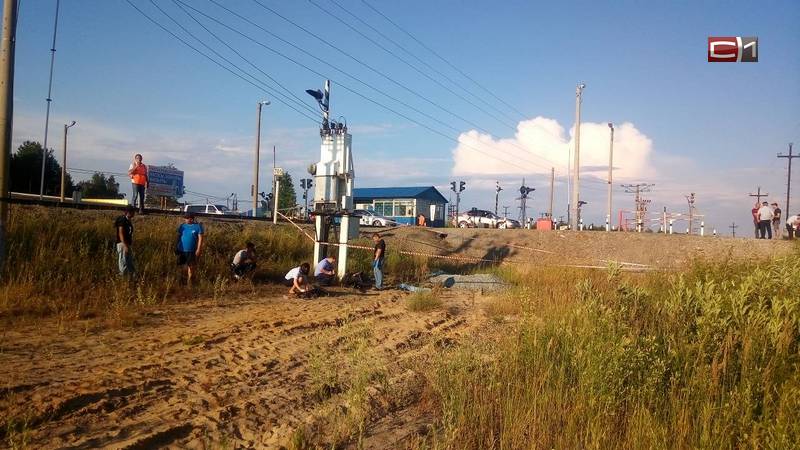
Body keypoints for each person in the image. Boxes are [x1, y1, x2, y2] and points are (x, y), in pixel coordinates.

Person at [176, 212, 204, 285]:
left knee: (191, 267)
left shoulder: (198, 226)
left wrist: (198, 249)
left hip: (191, 250)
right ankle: (181, 281)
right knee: (181, 266)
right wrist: (176, 246)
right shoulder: (182, 226)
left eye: (187, 218)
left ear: (192, 219)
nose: (186, 220)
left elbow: (200, 239)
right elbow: (178, 237)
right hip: (181, 249)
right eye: (185, 218)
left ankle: (189, 283)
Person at [114, 205, 136, 276]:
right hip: (122, 244)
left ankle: (131, 277)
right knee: (123, 262)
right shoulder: (122, 220)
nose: (134, 213)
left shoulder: (128, 221)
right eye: (133, 212)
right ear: (128, 212)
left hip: (127, 244)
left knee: (129, 262)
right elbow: (121, 233)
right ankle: (122, 277)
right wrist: (124, 245)